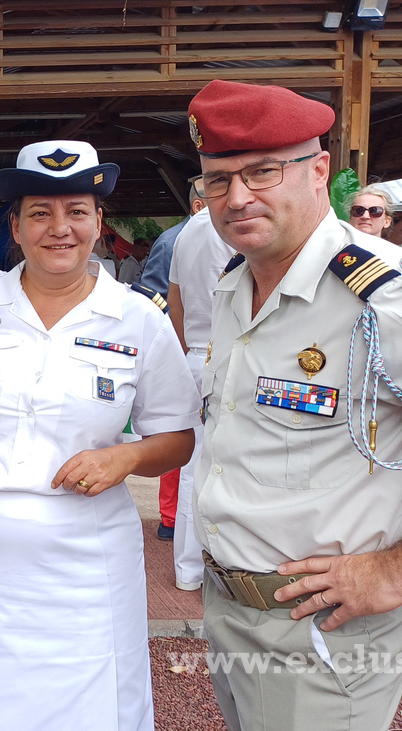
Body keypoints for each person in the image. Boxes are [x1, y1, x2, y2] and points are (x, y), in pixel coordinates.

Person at [187, 79, 402, 729]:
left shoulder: (392, 297)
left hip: (326, 635)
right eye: (217, 179)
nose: (237, 197)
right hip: (234, 614)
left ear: (319, 172)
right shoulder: (237, 284)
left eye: (261, 171)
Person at [0, 139, 198, 731]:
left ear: (99, 222)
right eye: (40, 213)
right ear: (14, 226)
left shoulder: (139, 316)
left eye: (76, 212)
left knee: (95, 706)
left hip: (88, 560)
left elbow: (181, 437)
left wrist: (127, 456)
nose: (59, 229)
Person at [165, 203, 234, 592]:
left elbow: (175, 299)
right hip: (227, 352)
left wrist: (184, 351)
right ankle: (214, 571)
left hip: (194, 352)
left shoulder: (190, 228)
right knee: (227, 469)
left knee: (195, 467)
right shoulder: (238, 223)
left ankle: (188, 569)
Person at [140, 182, 205, 541]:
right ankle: (169, 516)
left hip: (209, 353)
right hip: (184, 351)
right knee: (174, 433)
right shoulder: (174, 239)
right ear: (198, 203)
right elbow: (155, 298)